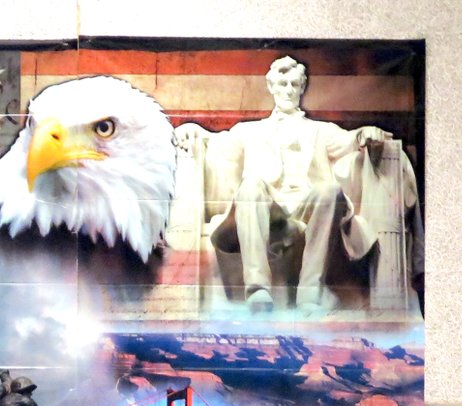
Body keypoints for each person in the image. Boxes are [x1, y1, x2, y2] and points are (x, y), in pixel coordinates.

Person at [177, 56, 416, 315]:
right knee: (251, 185)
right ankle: (257, 289)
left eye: (294, 84)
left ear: (302, 88)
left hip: (307, 208)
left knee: (330, 190)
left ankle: (310, 294)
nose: (288, 90)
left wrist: (366, 132)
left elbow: (351, 140)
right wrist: (192, 130)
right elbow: (215, 143)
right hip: (267, 211)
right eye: (282, 84)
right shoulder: (248, 131)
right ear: (271, 87)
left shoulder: (321, 131)